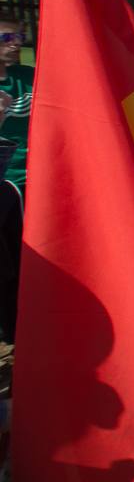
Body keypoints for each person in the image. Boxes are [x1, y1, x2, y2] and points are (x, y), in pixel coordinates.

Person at [0, 17, 33, 345]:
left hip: (36, 179)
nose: (16, 42)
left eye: (20, 36)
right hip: (5, 184)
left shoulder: (29, 75)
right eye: (7, 36)